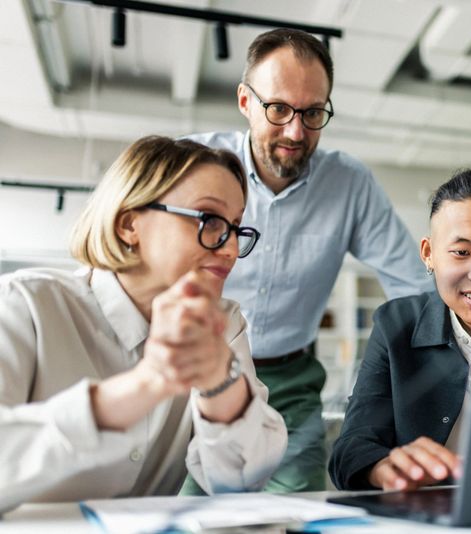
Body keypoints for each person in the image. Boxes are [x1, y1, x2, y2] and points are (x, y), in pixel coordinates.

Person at [186, 28, 428, 492]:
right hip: (194, 369)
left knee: (299, 511)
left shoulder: (349, 184)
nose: (296, 132)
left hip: (290, 386)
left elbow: (411, 287)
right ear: (244, 101)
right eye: (278, 109)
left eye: (313, 112)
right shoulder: (192, 165)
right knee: (180, 512)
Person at [0, 136, 287, 513]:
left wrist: (222, 386)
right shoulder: (25, 303)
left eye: (235, 228)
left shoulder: (222, 321)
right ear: (128, 225)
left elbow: (240, 481)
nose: (230, 248)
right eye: (210, 220)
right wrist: (140, 388)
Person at [328, 168, 471, 491]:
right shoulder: (396, 325)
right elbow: (351, 448)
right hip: (432, 509)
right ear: (429, 254)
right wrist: (386, 468)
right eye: (461, 252)